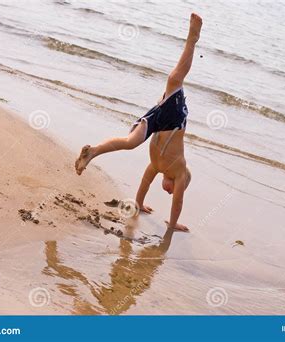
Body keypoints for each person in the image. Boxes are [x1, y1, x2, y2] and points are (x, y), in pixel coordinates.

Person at [75, 13, 203, 232]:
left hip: (155, 122)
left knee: (130, 142)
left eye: (171, 192)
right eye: (172, 190)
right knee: (174, 80)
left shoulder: (156, 166)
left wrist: (139, 203)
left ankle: (93, 152)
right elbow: (178, 202)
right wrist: (172, 226)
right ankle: (192, 39)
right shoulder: (180, 171)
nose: (170, 192)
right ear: (181, 182)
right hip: (173, 122)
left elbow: (145, 184)